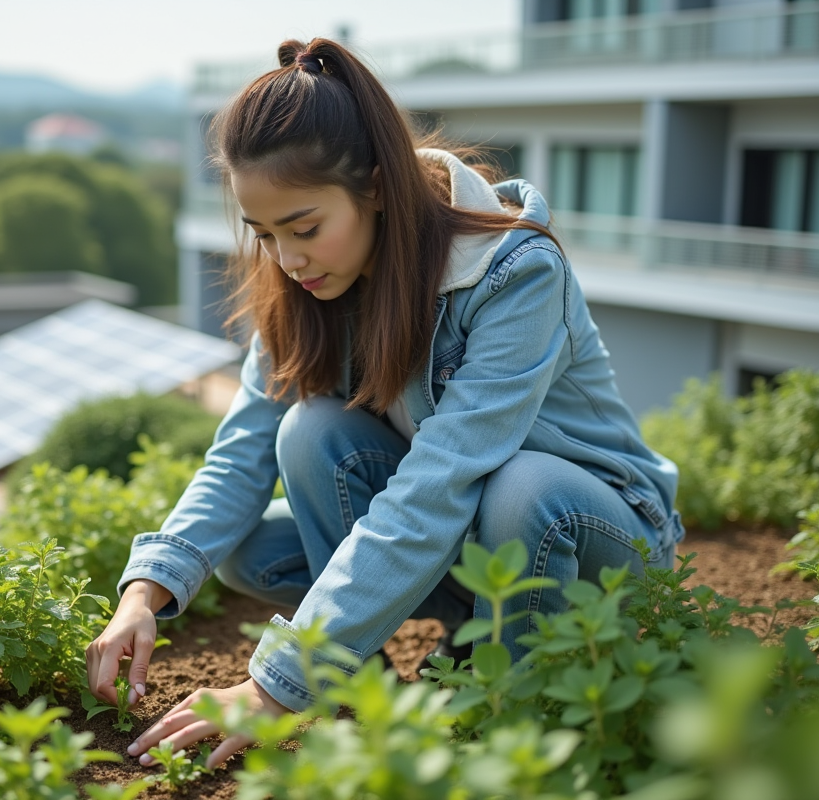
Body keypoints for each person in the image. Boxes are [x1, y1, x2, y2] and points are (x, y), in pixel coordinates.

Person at [84, 37, 683, 770]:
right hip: (471, 533)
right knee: (297, 451)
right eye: (264, 234)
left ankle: (515, 703)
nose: (287, 260)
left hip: (590, 528)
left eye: (304, 228)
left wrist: (278, 680)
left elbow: (441, 481)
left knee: (524, 486)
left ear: (374, 186)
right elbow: (241, 449)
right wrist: (146, 590)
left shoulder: (514, 274)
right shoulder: (304, 286)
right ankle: (373, 694)